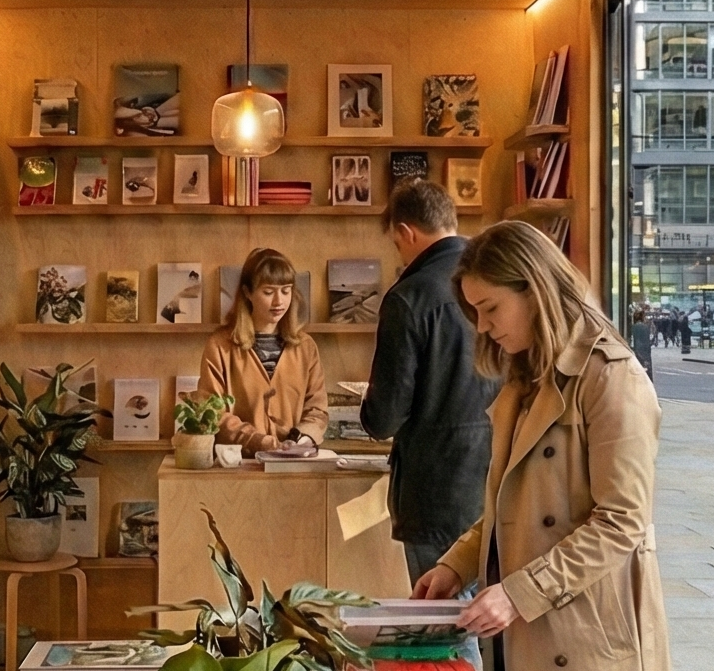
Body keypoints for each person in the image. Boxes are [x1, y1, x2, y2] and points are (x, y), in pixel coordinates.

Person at [413, 220, 676, 671]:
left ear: (536, 289)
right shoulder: (531, 377)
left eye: (491, 307)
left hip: (583, 639)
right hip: (530, 639)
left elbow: (622, 521)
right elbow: (503, 505)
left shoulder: (612, 376)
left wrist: (518, 592)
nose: (484, 324)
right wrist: (461, 563)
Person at [360, 178, 496, 585]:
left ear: (405, 232)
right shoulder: (495, 279)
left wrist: (368, 412)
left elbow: (385, 416)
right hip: (498, 478)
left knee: (446, 622)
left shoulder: (410, 297)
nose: (399, 254)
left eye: (397, 245)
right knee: (489, 620)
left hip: (434, 492)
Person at [197, 245, 328, 454]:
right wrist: (260, 441)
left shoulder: (306, 347)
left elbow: (317, 409)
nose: (279, 301)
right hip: (238, 464)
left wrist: (301, 438)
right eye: (268, 292)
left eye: (286, 291)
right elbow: (213, 411)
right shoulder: (220, 346)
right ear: (248, 293)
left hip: (294, 463)